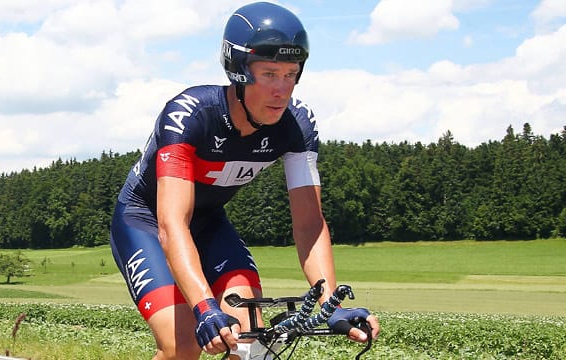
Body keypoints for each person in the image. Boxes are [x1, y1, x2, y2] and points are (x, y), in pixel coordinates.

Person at [110, 2, 380, 359]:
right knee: (183, 346)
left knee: (248, 337)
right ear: (239, 71)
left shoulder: (297, 125)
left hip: (209, 224)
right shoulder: (189, 115)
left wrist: (331, 304)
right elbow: (171, 223)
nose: (281, 89)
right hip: (144, 221)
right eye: (269, 73)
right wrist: (204, 306)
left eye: (290, 74)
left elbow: (310, 224)